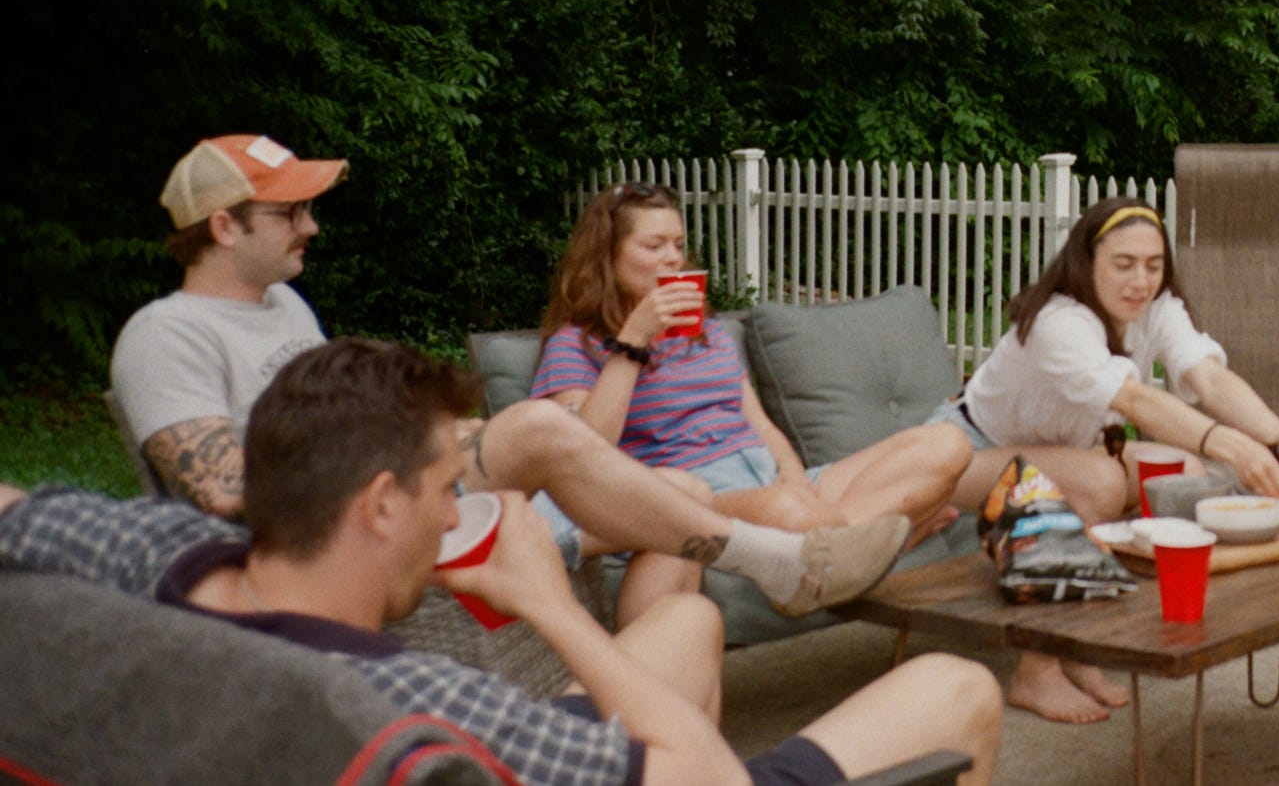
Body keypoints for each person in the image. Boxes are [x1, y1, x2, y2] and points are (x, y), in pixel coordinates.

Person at [2, 338, 1003, 786]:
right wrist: (549, 603)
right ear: (379, 505)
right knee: (954, 687)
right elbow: (706, 778)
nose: (458, 511)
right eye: (447, 488)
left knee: (687, 620)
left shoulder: (157, 555)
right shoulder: (420, 713)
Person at [111, 135, 910, 624]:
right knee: (536, 425)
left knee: (682, 489)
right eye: (290, 213)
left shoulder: (284, 307)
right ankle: (777, 560)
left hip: (396, 483)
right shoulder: (164, 334)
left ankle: (657, 678)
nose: (311, 225)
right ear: (225, 225)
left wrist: (431, 434)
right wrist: (401, 458)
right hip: (340, 524)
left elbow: (335, 421)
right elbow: (221, 489)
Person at [931, 195, 1279, 724]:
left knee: (1182, 472)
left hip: (1062, 453)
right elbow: (1134, 401)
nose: (1140, 281)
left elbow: (1208, 379)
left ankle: (1084, 641)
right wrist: (1230, 444)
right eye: (1123, 264)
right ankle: (1036, 669)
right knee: (1100, 483)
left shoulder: (1157, 308)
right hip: (966, 452)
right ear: (1086, 263)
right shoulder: (1059, 321)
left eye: (1153, 265)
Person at [536, 184, 969, 546]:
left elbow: (758, 423)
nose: (673, 258)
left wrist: (794, 475)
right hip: (696, 500)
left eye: (679, 245)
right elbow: (585, 457)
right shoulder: (574, 344)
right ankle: (879, 538)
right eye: (654, 245)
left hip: (766, 478)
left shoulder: (705, 331)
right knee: (792, 512)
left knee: (945, 444)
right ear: (607, 257)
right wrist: (634, 339)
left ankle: (839, 545)